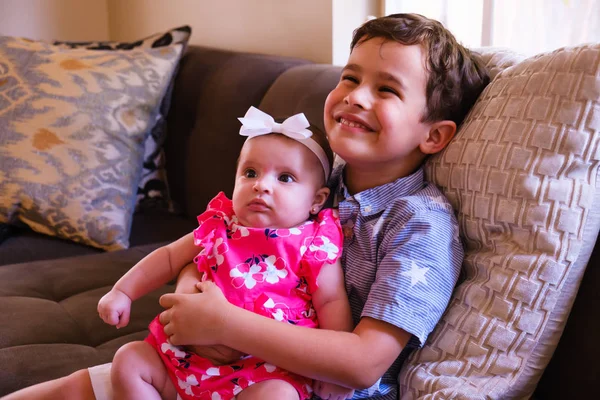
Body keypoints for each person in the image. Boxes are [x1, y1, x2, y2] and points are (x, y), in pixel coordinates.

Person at [2, 13, 489, 400]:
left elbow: (363, 363)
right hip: (207, 364)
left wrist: (226, 323)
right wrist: (194, 296)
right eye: (350, 76)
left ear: (435, 135)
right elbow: (221, 241)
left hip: (291, 386)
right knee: (84, 382)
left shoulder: (417, 223)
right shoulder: (318, 178)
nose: (355, 96)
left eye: (386, 89)